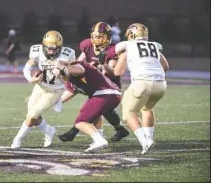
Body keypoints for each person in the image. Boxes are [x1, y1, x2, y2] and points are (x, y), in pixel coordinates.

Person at [58, 22, 129, 143]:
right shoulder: (88, 45)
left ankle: (74, 132)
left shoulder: (112, 50)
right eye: (95, 36)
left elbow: (111, 72)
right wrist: (73, 66)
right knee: (103, 109)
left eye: (100, 36)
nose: (96, 39)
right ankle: (119, 130)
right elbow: (79, 61)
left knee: (98, 109)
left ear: (107, 36)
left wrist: (101, 65)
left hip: (109, 84)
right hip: (93, 82)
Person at [11, 30, 76, 149]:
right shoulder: (37, 51)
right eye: (48, 48)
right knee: (32, 116)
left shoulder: (67, 54)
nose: (51, 51)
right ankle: (49, 131)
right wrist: (31, 79)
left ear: (60, 47)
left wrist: (63, 71)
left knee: (32, 115)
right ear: (43, 46)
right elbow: (27, 68)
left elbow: (70, 76)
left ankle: (17, 139)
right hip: (39, 87)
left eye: (54, 49)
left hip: (55, 90)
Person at [114, 23, 169, 154]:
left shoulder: (128, 46)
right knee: (147, 108)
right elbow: (165, 67)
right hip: (161, 84)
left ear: (131, 34)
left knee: (128, 112)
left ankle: (144, 142)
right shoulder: (155, 46)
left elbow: (117, 72)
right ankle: (149, 138)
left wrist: (122, 59)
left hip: (142, 83)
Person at [53, 60, 122, 152]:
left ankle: (99, 140)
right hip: (113, 95)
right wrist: (45, 101)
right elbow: (62, 99)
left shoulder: (78, 66)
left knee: (80, 122)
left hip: (103, 94)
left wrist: (61, 67)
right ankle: (99, 137)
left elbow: (80, 70)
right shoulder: (71, 82)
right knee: (96, 115)